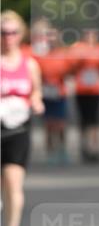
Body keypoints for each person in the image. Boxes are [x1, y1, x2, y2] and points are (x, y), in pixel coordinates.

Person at [1, 11, 44, 226]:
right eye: (3, 33)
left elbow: (36, 91)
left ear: (20, 34)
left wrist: (36, 102)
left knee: (13, 181)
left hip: (18, 129)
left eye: (12, 32)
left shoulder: (29, 64)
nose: (8, 38)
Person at [32, 26, 73, 165]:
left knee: (60, 124)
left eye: (53, 36)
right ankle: (50, 152)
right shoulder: (41, 55)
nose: (51, 39)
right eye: (48, 36)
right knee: (48, 125)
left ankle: (62, 150)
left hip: (59, 93)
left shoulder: (64, 54)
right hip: (46, 93)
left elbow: (70, 71)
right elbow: (36, 72)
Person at [70, 28, 99, 162]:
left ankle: (95, 147)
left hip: (95, 89)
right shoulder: (77, 48)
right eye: (88, 35)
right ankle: (84, 146)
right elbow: (72, 64)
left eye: (93, 35)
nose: (90, 37)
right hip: (81, 89)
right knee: (83, 120)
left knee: (94, 120)